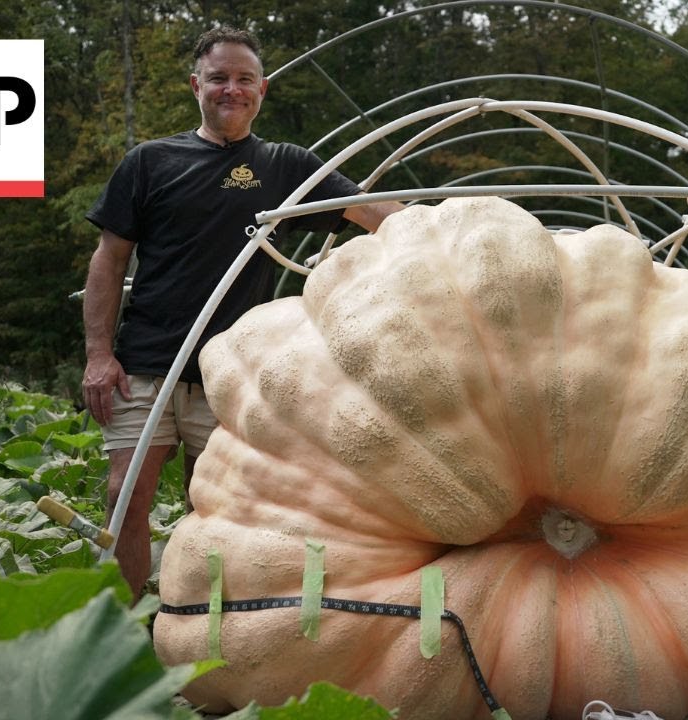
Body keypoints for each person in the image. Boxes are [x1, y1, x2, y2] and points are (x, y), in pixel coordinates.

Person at [81, 25, 402, 600]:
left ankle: (204, 630)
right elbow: (109, 260)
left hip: (230, 374)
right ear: (195, 86)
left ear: (263, 89)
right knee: (123, 498)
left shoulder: (284, 166)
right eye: (219, 78)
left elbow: (367, 211)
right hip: (146, 365)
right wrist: (99, 357)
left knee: (221, 510)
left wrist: (435, 226)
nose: (232, 89)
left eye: (244, 79)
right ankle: (120, 633)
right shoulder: (150, 162)